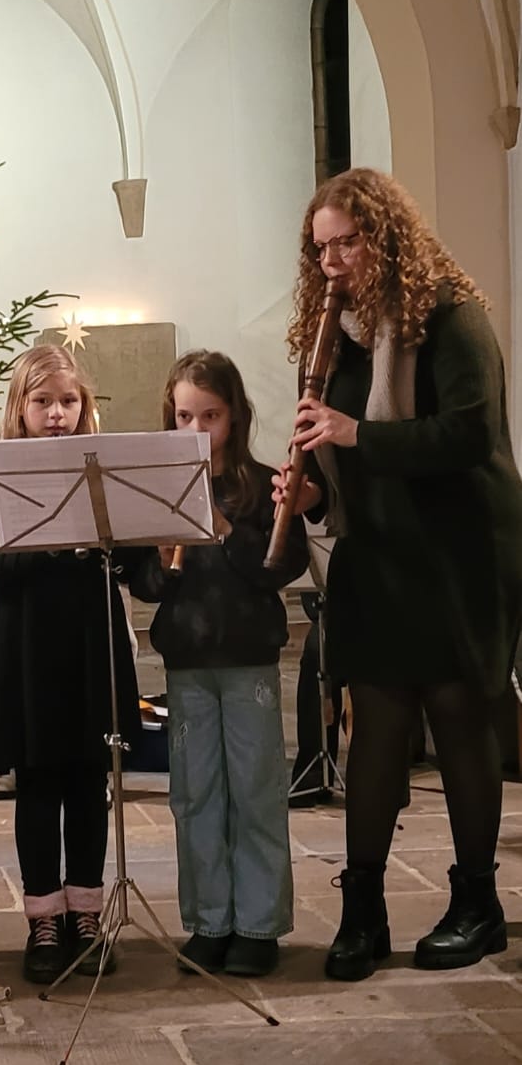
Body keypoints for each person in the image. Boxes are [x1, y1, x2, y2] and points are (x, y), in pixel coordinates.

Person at [276, 167, 522, 981]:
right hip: (379, 552)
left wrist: (354, 434)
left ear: (386, 237)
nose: (333, 262)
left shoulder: (451, 315)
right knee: (376, 727)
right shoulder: (338, 333)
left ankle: (478, 904)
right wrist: (312, 495)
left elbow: (470, 434)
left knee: (459, 720)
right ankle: (363, 909)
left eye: (348, 243)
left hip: (459, 553)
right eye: (321, 249)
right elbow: (344, 460)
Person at [0, 344, 138, 985]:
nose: (57, 414)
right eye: (43, 402)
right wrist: (50, 539)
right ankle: (43, 918)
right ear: (20, 406)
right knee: (38, 784)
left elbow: (128, 559)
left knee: (89, 782)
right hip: (28, 644)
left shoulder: (102, 474)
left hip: (91, 638)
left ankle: (86, 914)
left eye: (69, 401)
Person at [137, 351, 305, 980]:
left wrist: (228, 528)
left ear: (234, 416)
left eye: (210, 416)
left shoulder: (262, 486)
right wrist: (159, 561)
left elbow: (279, 568)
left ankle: (258, 926)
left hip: (247, 658)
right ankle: (209, 922)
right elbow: (147, 586)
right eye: (185, 417)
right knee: (195, 794)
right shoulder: (158, 488)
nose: (197, 430)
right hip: (187, 660)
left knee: (256, 792)